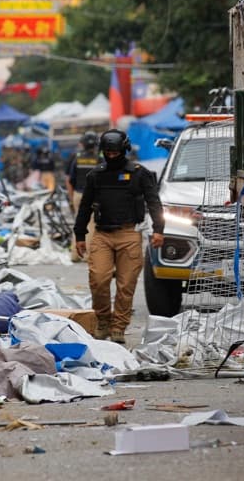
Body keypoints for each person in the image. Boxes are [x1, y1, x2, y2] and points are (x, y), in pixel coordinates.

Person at [73, 129, 165, 343]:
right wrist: (80, 235)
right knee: (98, 280)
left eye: (115, 152)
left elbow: (154, 203)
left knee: (126, 285)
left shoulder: (139, 173)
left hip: (129, 234)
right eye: (108, 153)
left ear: (124, 150)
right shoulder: (95, 175)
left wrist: (159, 230)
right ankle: (103, 320)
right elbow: (85, 207)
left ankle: (119, 327)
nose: (112, 156)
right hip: (102, 235)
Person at [65, 132, 101, 261]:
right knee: (91, 225)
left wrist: (71, 197)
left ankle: (75, 254)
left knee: (78, 222)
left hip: (78, 194)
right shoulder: (99, 158)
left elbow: (69, 180)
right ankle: (87, 255)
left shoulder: (77, 157)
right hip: (92, 195)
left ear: (82, 144)